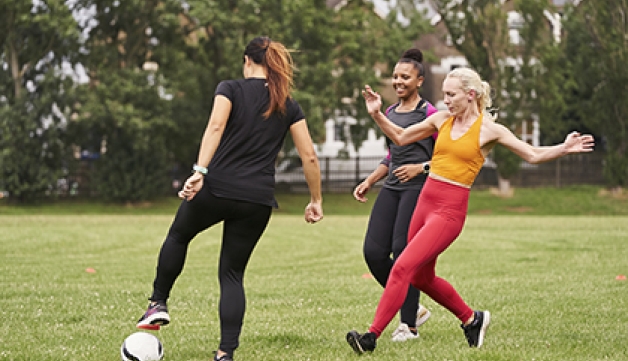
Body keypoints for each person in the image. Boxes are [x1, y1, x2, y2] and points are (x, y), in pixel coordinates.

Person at [346, 66, 594, 354]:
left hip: (448, 211)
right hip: (425, 202)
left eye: (451, 95)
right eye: (444, 95)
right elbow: (400, 137)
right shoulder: (441, 120)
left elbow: (532, 154)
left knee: (402, 265)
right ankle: (471, 319)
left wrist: (563, 148)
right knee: (420, 277)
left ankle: (370, 338)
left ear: (471, 95)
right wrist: (377, 114)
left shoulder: (489, 130)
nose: (445, 101)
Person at [135, 36, 324, 361]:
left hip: (217, 188)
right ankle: (225, 353)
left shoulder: (230, 88)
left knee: (179, 235)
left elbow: (215, 127)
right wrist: (316, 199)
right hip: (257, 200)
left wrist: (199, 170)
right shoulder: (287, 103)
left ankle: (157, 303)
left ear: (247, 60)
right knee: (232, 274)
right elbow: (309, 156)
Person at [353, 48, 437, 342]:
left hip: (418, 190)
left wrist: (420, 167)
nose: (398, 81)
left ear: (419, 81)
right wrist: (371, 180)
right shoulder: (389, 113)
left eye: (405, 77)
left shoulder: (430, 114)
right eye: (395, 76)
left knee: (403, 253)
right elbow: (393, 154)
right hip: (391, 189)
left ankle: (408, 326)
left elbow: (448, 157)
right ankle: (413, 307)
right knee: (374, 253)